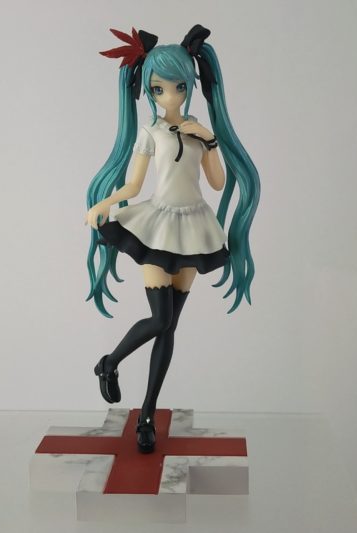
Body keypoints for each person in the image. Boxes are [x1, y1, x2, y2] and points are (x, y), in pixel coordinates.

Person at [85, 25, 260, 453]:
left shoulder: (200, 130)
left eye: (179, 87)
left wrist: (210, 141)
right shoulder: (150, 133)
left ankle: (146, 415)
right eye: (159, 89)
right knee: (161, 319)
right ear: (149, 89)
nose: (170, 96)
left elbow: (217, 183)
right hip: (158, 224)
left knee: (170, 326)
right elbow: (133, 185)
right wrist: (103, 203)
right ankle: (109, 362)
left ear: (189, 86)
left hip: (195, 227)